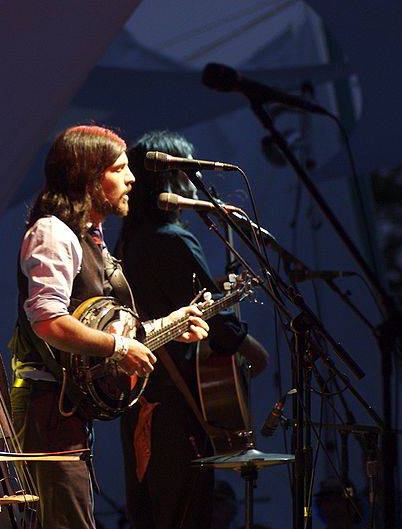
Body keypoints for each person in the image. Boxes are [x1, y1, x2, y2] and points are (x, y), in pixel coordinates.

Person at [8, 125, 210, 529]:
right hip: (47, 405)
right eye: (119, 169)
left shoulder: (90, 238)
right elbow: (48, 321)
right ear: (89, 176)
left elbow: (103, 331)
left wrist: (170, 325)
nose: (131, 178)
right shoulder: (53, 234)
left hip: (66, 408)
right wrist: (120, 349)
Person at [116, 130, 269, 529]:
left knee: (151, 511)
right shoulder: (173, 240)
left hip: (139, 401)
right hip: (178, 405)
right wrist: (250, 349)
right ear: (171, 180)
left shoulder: (127, 242)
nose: (191, 181)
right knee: (186, 511)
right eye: (186, 171)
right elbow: (216, 321)